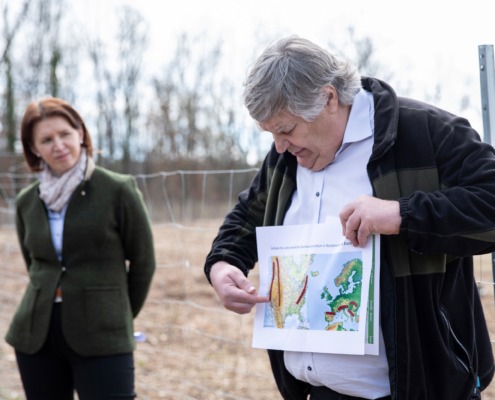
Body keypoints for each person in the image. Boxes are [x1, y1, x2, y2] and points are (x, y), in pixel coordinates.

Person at [204, 35, 495, 400]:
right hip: (317, 392)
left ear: (328, 98)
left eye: (286, 129)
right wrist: (223, 264)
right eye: (271, 133)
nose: (278, 146)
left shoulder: (427, 133)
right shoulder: (287, 156)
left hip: (421, 388)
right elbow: (248, 216)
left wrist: (401, 214)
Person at [5, 97, 156, 400]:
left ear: (80, 134)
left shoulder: (117, 189)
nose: (58, 145)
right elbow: (35, 265)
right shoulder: (27, 202)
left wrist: (119, 314)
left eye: (65, 134)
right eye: (46, 140)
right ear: (34, 148)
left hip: (104, 333)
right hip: (37, 336)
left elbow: (144, 262)